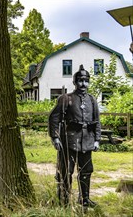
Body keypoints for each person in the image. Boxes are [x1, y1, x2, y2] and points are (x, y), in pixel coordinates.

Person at [48, 64, 101, 208]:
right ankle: (64, 201)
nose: (83, 84)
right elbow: (54, 118)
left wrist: (97, 139)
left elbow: (97, 121)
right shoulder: (66, 98)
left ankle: (84, 199)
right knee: (66, 172)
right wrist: (56, 137)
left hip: (87, 142)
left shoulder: (92, 100)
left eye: (86, 80)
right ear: (74, 82)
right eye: (80, 80)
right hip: (68, 141)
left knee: (86, 171)